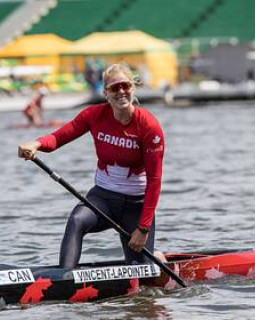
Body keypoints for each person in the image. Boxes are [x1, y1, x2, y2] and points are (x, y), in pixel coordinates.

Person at [18, 63, 165, 268]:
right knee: (77, 220)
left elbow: (155, 181)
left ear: (132, 88)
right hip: (104, 198)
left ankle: (156, 258)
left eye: (125, 86)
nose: (121, 91)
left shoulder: (149, 126)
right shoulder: (94, 115)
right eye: (114, 88)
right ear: (105, 93)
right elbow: (59, 137)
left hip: (136, 205)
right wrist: (36, 144)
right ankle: (64, 280)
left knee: (140, 271)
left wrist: (143, 228)